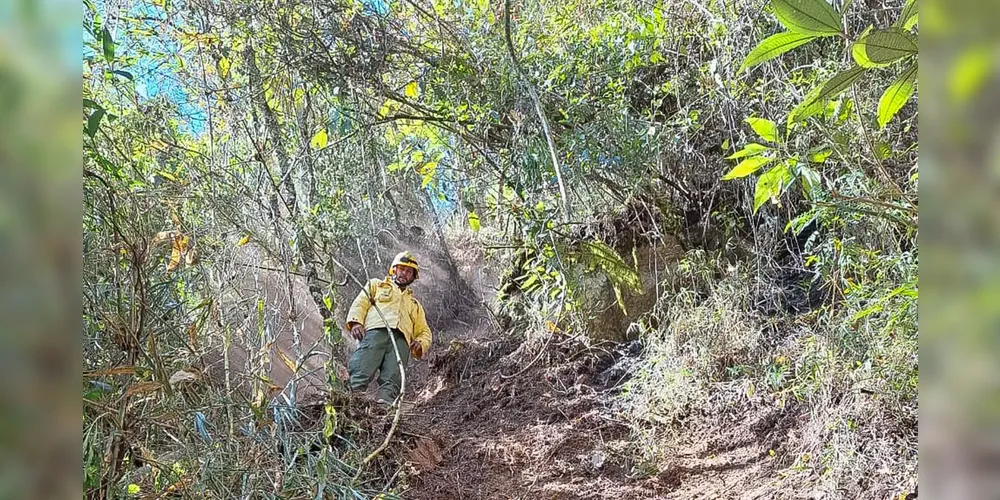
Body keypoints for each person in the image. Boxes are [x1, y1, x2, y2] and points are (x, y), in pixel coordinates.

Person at [345, 251, 432, 404]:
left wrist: (420, 343)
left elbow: (424, 331)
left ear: (412, 277)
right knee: (362, 364)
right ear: (394, 269)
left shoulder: (415, 305)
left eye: (408, 272)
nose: (404, 273)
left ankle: (384, 409)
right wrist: (356, 322)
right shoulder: (376, 285)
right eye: (401, 269)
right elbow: (360, 303)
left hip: (401, 342)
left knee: (393, 376)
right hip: (375, 332)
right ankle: (353, 401)